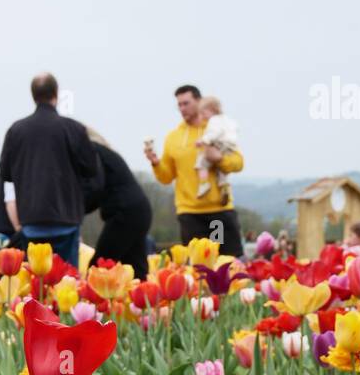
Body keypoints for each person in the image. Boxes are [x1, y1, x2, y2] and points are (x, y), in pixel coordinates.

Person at [0, 73, 101, 269]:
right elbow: (91, 169)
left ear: (33, 96)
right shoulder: (74, 129)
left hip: (31, 220)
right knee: (68, 282)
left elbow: (6, 173)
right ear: (56, 94)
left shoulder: (16, 131)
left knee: (38, 281)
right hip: (66, 219)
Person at [145, 84, 244, 254]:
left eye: (186, 103)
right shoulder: (173, 138)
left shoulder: (216, 130)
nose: (182, 108)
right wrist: (155, 163)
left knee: (222, 261)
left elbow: (238, 163)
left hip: (217, 213)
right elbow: (166, 177)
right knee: (197, 267)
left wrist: (219, 159)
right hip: (189, 214)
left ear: (199, 102)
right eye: (179, 105)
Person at [85, 131, 152, 279]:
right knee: (135, 268)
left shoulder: (92, 150)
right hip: (140, 209)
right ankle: (143, 300)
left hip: (124, 211)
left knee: (99, 269)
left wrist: (75, 211)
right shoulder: (106, 152)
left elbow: (95, 187)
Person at [193, 96, 240, 205]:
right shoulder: (228, 120)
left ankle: (203, 184)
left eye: (204, 113)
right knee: (221, 169)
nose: (203, 116)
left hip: (219, 144)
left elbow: (215, 133)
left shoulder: (214, 120)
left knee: (201, 162)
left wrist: (203, 141)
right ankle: (224, 186)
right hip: (230, 146)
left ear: (212, 110)